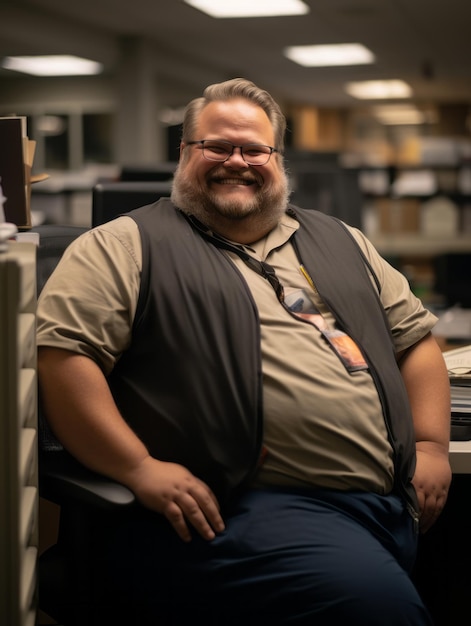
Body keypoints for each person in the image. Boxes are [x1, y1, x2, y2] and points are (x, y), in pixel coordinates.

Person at [37, 78, 451, 625]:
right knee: (381, 614)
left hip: (388, 504)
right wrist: (138, 468)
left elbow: (417, 340)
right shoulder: (123, 245)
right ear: (185, 152)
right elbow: (63, 359)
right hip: (239, 506)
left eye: (254, 148)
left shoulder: (343, 241)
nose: (237, 160)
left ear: (277, 159)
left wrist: (431, 446)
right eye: (217, 145)